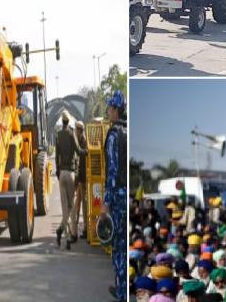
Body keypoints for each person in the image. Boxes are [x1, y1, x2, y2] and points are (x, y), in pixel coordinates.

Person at [103, 90, 127, 302]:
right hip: (127, 195)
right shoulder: (129, 131)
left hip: (117, 198)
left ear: (115, 109)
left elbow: (112, 171)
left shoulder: (113, 135)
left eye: (110, 108)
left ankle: (122, 293)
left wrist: (106, 202)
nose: (108, 111)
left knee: (118, 248)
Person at [55, 111, 79, 249]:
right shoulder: (71, 134)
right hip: (70, 173)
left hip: (61, 174)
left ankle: (67, 237)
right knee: (72, 207)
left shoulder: (58, 135)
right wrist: (85, 152)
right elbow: (78, 149)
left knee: (65, 208)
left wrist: (58, 171)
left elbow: (57, 155)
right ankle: (68, 234)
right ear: (68, 121)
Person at [71, 120, 88, 241]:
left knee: (84, 205)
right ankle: (74, 229)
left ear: (80, 130)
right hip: (78, 177)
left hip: (83, 177)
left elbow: (85, 154)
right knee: (77, 204)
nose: (75, 132)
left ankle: (86, 229)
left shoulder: (84, 141)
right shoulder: (76, 140)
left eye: (76, 129)